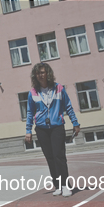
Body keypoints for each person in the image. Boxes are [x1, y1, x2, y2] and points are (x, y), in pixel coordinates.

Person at [25, 62, 81, 197]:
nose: (41, 75)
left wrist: (75, 122)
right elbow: (30, 112)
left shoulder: (59, 88)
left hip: (57, 127)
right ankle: (58, 185)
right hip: (41, 129)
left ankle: (66, 185)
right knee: (50, 157)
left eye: (43, 72)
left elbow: (68, 106)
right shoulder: (33, 93)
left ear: (48, 73)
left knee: (59, 156)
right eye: (38, 73)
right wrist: (28, 130)